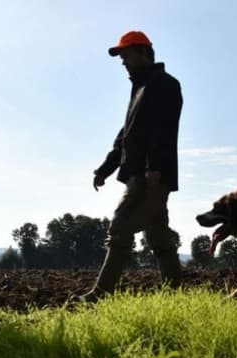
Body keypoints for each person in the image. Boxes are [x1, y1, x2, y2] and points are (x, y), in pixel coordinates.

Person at [77, 31, 183, 301]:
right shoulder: (140, 88)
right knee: (159, 237)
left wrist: (155, 167)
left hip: (149, 176)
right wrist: (105, 168)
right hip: (140, 173)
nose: (123, 61)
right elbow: (127, 135)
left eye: (126, 55)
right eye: (121, 56)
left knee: (121, 225)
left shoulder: (164, 84)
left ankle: (101, 294)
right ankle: (177, 294)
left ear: (144, 52)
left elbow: (165, 128)